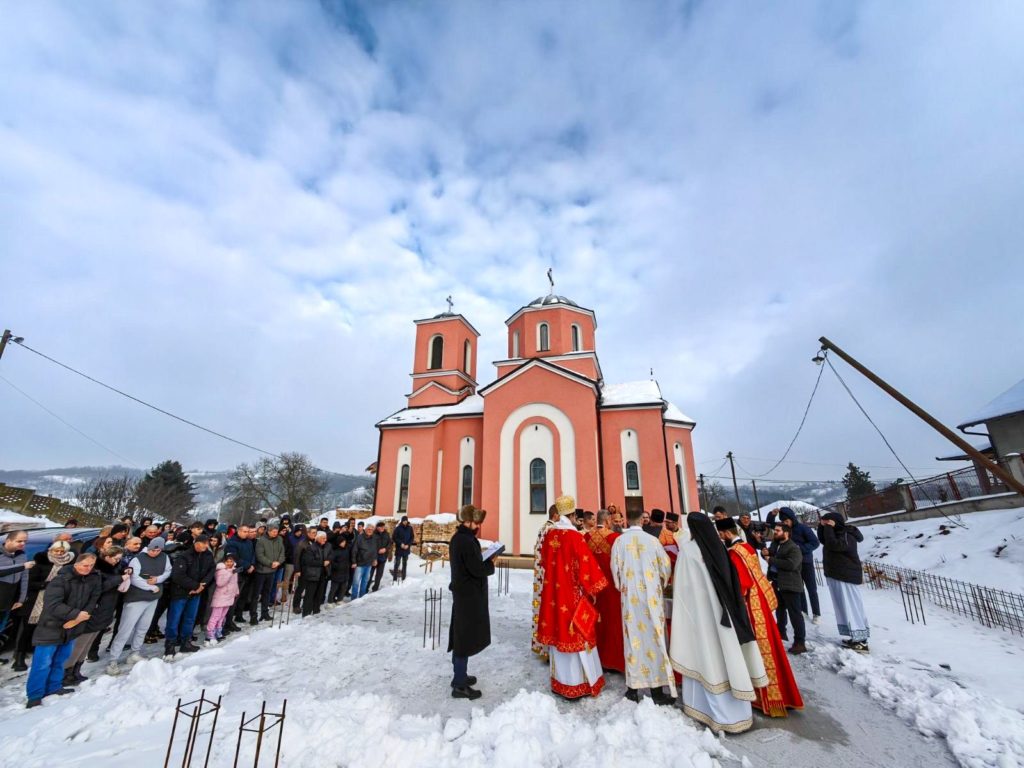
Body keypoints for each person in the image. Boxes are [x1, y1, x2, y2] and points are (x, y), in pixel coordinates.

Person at [669, 513, 767, 734]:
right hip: (725, 612)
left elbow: (683, 589)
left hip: (703, 615)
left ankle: (706, 710)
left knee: (706, 655)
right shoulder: (719, 546)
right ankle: (738, 713)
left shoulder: (690, 552)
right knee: (728, 656)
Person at [717, 517, 803, 716]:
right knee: (772, 646)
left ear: (727, 533)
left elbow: (743, 583)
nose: (720, 538)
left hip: (751, 605)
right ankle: (784, 693)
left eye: (721, 534)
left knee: (762, 650)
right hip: (761, 601)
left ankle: (770, 697)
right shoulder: (747, 547)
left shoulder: (734, 554)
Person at [536, 495, 609, 699]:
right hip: (572, 595)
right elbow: (586, 566)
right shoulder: (575, 537)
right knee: (577, 634)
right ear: (572, 514)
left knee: (559, 633)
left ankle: (561, 682)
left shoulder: (550, 536)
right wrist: (593, 589)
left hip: (554, 594)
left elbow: (543, 561)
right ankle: (580, 683)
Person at [610, 505, 675, 704]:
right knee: (655, 638)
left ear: (627, 520)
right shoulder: (653, 541)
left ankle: (632, 690)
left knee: (633, 640)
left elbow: (614, 568)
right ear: (641, 520)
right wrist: (661, 583)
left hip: (630, 599)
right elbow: (665, 567)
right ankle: (657, 691)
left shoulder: (620, 541)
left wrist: (620, 584)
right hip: (651, 599)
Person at [26, 553, 101, 708]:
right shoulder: (60, 580)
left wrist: (78, 619)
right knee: (42, 663)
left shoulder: (93, 579)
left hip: (73, 627)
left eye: (91, 565)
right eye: (85, 565)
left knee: (61, 660)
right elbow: (53, 605)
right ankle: (35, 695)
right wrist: (75, 615)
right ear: (76, 564)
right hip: (51, 626)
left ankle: (53, 687)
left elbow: (93, 599)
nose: (88, 569)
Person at [447, 504, 494, 700]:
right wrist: (491, 563)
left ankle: (461, 676)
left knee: (461, 635)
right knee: (463, 639)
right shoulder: (465, 541)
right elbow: (476, 569)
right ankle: (459, 684)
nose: (478, 526)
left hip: (465, 594)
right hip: (468, 596)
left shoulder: (462, 538)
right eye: (476, 523)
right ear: (467, 521)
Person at [63, 545, 128, 685]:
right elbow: (101, 587)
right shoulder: (97, 571)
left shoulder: (115, 568)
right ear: (107, 557)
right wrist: (119, 579)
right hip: (94, 610)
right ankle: (67, 672)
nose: (118, 562)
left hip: (105, 610)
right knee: (80, 643)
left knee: (88, 643)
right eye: (115, 559)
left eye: (119, 559)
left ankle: (76, 670)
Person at [107, 537, 171, 674]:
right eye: (153, 549)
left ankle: (134, 653)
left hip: (153, 598)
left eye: (158, 550)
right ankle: (113, 659)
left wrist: (158, 580)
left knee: (143, 627)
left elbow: (168, 571)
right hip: (136, 598)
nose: (154, 552)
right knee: (125, 629)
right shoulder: (138, 559)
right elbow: (134, 578)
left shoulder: (165, 557)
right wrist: (150, 587)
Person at [14, 540, 75, 671]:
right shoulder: (41, 562)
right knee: (27, 628)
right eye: (56, 551)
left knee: (44, 628)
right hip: (36, 600)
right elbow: (29, 582)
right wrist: (46, 585)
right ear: (51, 550)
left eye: (62, 552)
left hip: (55, 601)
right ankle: (19, 656)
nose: (59, 554)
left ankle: (37, 651)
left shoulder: (69, 565)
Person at [818, 512, 870, 652]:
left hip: (846, 576)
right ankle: (854, 636)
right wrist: (822, 527)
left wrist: (828, 528)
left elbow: (835, 546)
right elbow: (824, 540)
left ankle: (861, 640)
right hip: (837, 575)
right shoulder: (836, 533)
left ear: (834, 522)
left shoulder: (847, 535)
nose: (825, 525)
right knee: (844, 607)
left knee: (852, 606)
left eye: (827, 522)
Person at [584, 509, 624, 675]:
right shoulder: (615, 538)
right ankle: (612, 659)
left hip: (592, 587)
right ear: (607, 521)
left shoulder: (586, 537)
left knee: (594, 620)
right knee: (612, 621)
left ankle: (594, 657)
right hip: (610, 587)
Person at [164, 534, 215, 658]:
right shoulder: (184, 556)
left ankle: (186, 642)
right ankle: (170, 644)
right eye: (203, 544)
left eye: (206, 544)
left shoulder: (208, 555)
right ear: (196, 543)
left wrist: (202, 585)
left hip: (197, 592)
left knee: (190, 618)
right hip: (180, 592)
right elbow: (177, 576)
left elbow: (211, 570)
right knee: (174, 619)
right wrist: (195, 586)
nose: (205, 546)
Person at [771, 507, 821, 624]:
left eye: (786, 521)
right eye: (783, 521)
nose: (785, 523)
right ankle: (803, 610)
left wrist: (801, 549)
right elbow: (771, 526)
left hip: (806, 562)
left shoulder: (803, 528)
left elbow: (815, 542)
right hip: (793, 565)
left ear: (792, 519)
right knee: (799, 588)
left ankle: (816, 613)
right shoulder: (785, 530)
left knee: (811, 588)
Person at [765, 523, 808, 654]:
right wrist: (765, 553)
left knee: (795, 614)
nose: (775, 532)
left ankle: (800, 642)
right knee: (780, 610)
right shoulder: (778, 545)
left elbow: (791, 564)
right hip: (778, 583)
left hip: (791, 585)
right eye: (775, 530)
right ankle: (781, 632)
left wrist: (771, 560)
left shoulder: (793, 548)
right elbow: (769, 555)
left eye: (778, 530)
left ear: (786, 533)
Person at [530, 505, 559, 661]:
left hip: (540, 575)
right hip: (548, 575)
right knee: (548, 611)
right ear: (555, 515)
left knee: (541, 610)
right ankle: (547, 649)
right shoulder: (552, 530)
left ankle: (540, 645)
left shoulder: (543, 528)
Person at [0, 530, 31, 666]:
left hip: (9, 600)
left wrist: (21, 599)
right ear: (8, 540)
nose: (23, 544)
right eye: (19, 541)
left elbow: (24, 578)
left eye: (25, 541)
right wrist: (21, 566)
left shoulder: (21, 556)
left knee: (1, 628)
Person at [224, 525, 256, 628]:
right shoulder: (232, 542)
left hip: (248, 572)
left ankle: (239, 615)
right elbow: (233, 558)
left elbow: (253, 555)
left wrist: (252, 565)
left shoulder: (249, 542)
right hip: (237, 572)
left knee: (243, 596)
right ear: (238, 531)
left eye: (248, 532)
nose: (246, 533)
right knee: (234, 598)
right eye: (244, 531)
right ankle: (228, 621)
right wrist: (247, 566)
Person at [206, 553, 239, 645]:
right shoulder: (221, 571)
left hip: (229, 597)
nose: (229, 563)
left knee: (222, 616)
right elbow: (220, 583)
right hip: (221, 597)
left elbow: (234, 583)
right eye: (227, 561)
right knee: (215, 616)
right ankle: (210, 634)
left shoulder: (233, 570)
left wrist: (236, 591)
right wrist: (229, 573)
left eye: (231, 561)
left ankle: (218, 631)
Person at [254, 524, 285, 621]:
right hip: (262, 570)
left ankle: (265, 612)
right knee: (257, 593)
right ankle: (253, 615)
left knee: (267, 592)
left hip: (273, 570)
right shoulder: (261, 540)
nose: (276, 533)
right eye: (274, 532)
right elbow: (259, 555)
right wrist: (270, 563)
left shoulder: (279, 539)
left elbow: (282, 553)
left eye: (276, 531)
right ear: (268, 531)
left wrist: (278, 562)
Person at [299, 531, 328, 617]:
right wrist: (322, 563)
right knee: (309, 595)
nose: (325, 540)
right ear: (318, 538)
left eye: (326, 538)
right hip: (312, 575)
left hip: (322, 575)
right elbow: (309, 561)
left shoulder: (324, 547)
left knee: (319, 595)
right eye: (323, 538)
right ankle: (306, 614)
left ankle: (316, 611)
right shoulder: (311, 548)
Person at [351, 524, 376, 600]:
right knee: (356, 582)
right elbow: (354, 550)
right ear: (365, 530)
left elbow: (374, 550)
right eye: (368, 529)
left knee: (365, 582)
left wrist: (375, 559)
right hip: (359, 564)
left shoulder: (373, 539)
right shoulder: (359, 538)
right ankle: (354, 599)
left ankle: (362, 598)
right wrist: (354, 562)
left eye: (371, 530)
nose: (370, 531)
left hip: (369, 564)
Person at [328, 536, 353, 603]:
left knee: (343, 588)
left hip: (345, 572)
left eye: (344, 542)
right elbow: (332, 562)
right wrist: (338, 566)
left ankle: (340, 599)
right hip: (337, 573)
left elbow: (349, 559)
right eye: (342, 542)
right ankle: (330, 601)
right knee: (334, 588)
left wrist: (349, 565)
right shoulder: (335, 551)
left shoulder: (347, 550)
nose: (343, 543)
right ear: (338, 543)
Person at [392, 516, 415, 582]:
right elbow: (394, 537)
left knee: (404, 564)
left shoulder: (410, 528)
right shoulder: (398, 528)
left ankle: (404, 578)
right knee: (397, 564)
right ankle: (395, 579)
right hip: (399, 549)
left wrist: (408, 544)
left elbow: (412, 537)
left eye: (406, 520)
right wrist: (400, 544)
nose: (405, 522)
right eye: (404, 520)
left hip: (406, 549)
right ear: (402, 521)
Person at [370, 521, 391, 592]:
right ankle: (366, 588)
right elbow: (371, 545)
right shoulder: (373, 534)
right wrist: (377, 550)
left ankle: (375, 588)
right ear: (377, 527)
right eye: (380, 527)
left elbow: (390, 543)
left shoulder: (387, 534)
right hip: (374, 557)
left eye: (383, 526)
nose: (382, 528)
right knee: (370, 574)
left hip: (383, 557)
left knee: (379, 574)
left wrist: (385, 549)